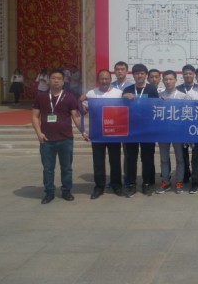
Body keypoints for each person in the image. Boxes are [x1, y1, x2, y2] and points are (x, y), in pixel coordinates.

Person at [31, 69, 84, 204]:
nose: (56, 81)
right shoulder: (41, 97)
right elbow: (35, 116)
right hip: (46, 140)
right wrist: (39, 133)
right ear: (49, 81)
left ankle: (66, 191)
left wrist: (83, 131)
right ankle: (49, 192)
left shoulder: (69, 96)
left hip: (65, 139)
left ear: (63, 81)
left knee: (66, 168)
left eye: (59, 78)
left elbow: (75, 117)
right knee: (48, 169)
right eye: (53, 78)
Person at [81, 69, 123, 198]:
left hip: (114, 133)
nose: (104, 81)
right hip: (97, 133)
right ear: (98, 80)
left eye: (106, 78)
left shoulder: (119, 93)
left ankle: (116, 185)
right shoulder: (91, 94)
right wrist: (80, 102)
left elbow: (126, 110)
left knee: (115, 161)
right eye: (102, 79)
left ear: (110, 80)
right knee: (98, 162)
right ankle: (99, 187)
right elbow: (83, 112)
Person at [122, 63, 160, 197]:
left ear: (146, 75)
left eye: (142, 73)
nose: (139, 76)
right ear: (133, 75)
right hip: (131, 129)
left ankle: (147, 183)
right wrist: (124, 97)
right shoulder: (128, 89)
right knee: (131, 158)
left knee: (147, 157)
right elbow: (122, 108)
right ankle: (131, 184)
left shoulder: (151, 89)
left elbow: (156, 107)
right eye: (137, 73)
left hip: (148, 129)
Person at [155, 70, 188, 195]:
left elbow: (186, 114)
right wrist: (159, 102)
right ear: (163, 81)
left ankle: (179, 182)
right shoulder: (159, 96)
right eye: (166, 79)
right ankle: (165, 181)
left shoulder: (183, 96)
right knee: (164, 158)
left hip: (177, 132)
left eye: (171, 79)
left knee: (179, 158)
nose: (168, 82)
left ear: (176, 80)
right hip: (163, 132)